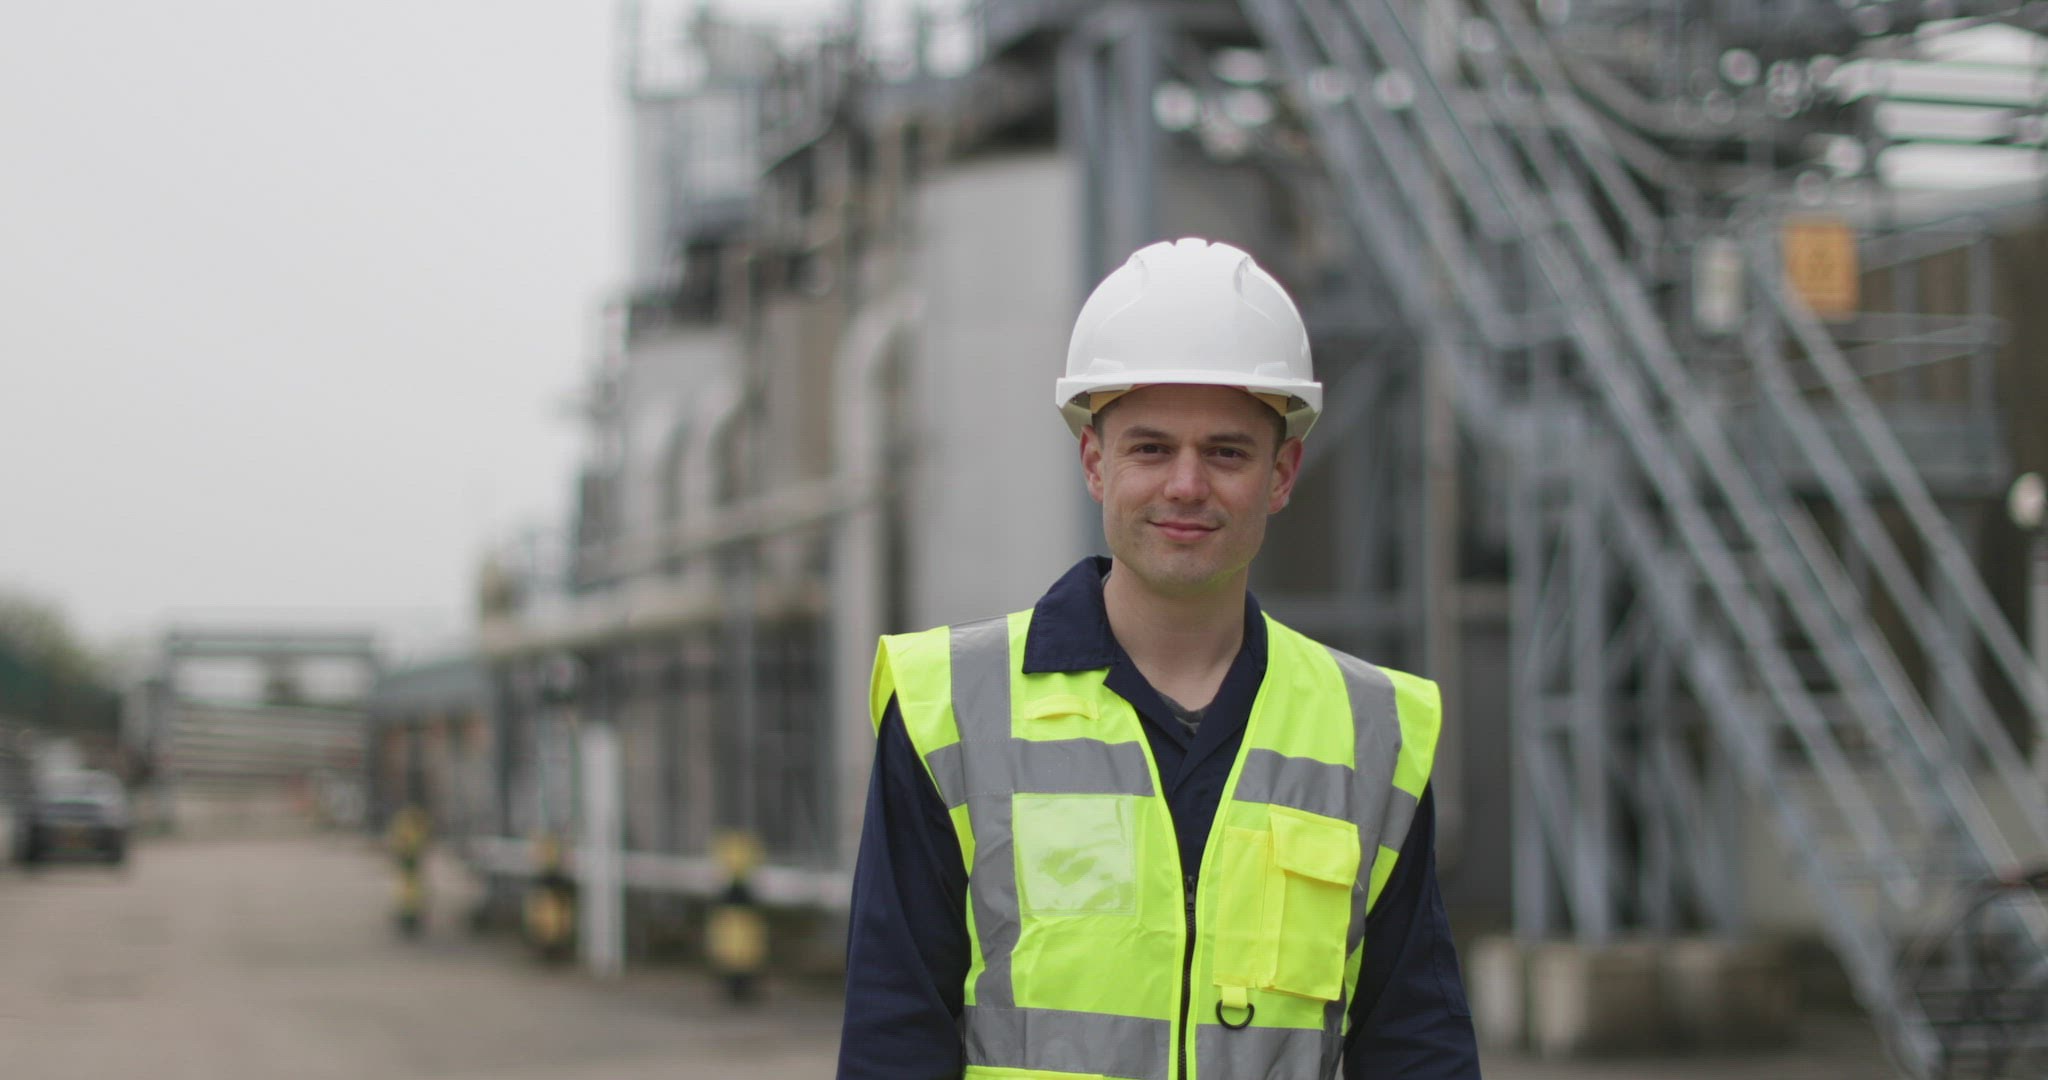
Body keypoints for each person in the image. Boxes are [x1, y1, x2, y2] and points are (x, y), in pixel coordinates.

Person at [837, 238, 1481, 1079]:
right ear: (1095, 463)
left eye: (1226, 452)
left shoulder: (1371, 732)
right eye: (1150, 448)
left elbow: (1416, 1045)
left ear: (1282, 473)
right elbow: (893, 1039)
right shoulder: (950, 708)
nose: (1185, 485)